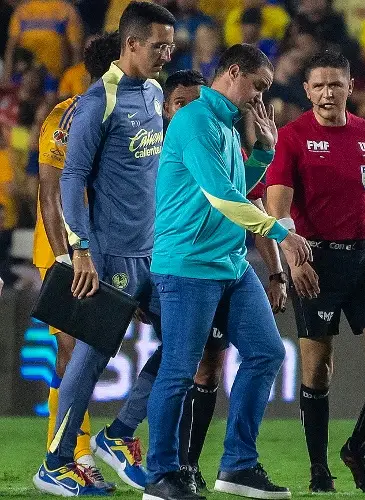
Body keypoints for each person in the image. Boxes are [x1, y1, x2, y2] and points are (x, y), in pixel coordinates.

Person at [146, 44, 311, 500]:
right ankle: (159, 475)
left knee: (266, 354)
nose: (260, 100)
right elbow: (222, 197)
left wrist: (263, 152)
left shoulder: (225, 125)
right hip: (188, 267)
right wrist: (281, 234)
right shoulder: (196, 120)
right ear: (232, 72)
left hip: (229, 265)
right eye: (257, 87)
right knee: (180, 368)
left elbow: (240, 188)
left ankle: (237, 465)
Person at [34, 3, 176, 497]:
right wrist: (80, 251)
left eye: (170, 44)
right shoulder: (100, 102)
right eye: (158, 44)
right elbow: (70, 179)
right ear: (131, 44)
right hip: (109, 255)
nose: (167, 53)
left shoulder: (156, 93)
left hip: (154, 252)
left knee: (189, 339)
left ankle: (119, 435)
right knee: (91, 358)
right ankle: (56, 462)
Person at [266, 50, 365, 494]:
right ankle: (318, 469)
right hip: (315, 260)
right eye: (319, 85)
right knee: (317, 371)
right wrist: (294, 261)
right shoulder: (292, 137)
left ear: (351, 87)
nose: (328, 92)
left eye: (336, 84)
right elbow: (277, 206)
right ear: (307, 91)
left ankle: (358, 445)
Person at [32, 31, 121, 494]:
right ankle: (69, 456)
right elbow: (50, 194)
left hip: (109, 248)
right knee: (72, 348)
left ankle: (75, 452)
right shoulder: (67, 116)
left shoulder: (123, 112)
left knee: (88, 351)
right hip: (69, 253)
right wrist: (67, 259)